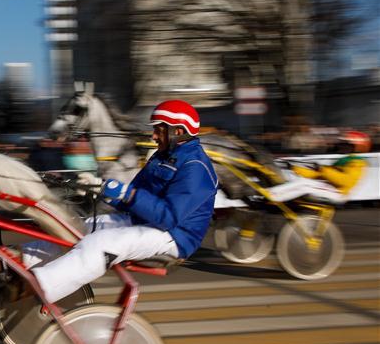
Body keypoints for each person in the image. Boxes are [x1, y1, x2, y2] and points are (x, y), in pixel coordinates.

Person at [25, 100, 219, 304]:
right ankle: (16, 260)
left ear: (178, 131)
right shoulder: (161, 158)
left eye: (159, 131)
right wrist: (99, 187)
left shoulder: (196, 167)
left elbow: (168, 217)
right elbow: (132, 196)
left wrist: (124, 193)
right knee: (76, 226)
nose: (154, 136)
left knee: (101, 243)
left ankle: (35, 286)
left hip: (174, 236)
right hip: (142, 221)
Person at [267, 130, 370, 204]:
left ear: (357, 147)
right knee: (304, 182)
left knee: (306, 187)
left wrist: (323, 169)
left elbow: (345, 181)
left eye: (346, 145)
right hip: (331, 189)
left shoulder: (358, 163)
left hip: (339, 194)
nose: (341, 146)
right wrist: (293, 167)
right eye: (342, 144)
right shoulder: (343, 160)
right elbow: (318, 175)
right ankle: (270, 193)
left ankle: (274, 198)